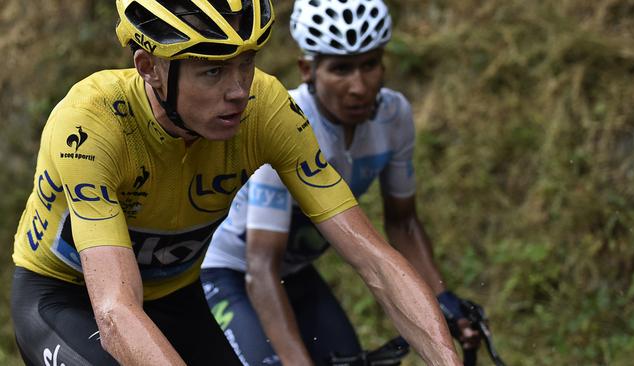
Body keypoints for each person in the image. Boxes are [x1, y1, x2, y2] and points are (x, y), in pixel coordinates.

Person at [10, 0, 461, 365]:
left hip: (176, 296)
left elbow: (374, 259)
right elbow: (114, 311)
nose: (238, 90)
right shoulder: (90, 125)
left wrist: (446, 359)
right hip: (65, 298)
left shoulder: (265, 109)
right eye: (213, 71)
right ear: (149, 67)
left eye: (246, 64)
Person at [201, 0, 483, 365]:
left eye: (369, 65)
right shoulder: (285, 121)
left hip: (294, 271)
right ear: (308, 69)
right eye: (341, 69)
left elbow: (404, 223)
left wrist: (443, 301)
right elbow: (260, 266)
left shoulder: (394, 117)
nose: (358, 86)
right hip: (232, 270)